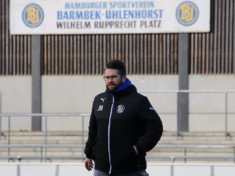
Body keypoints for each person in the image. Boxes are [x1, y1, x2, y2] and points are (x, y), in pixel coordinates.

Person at [84, 59, 163, 176]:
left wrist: (137, 148)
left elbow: (156, 127)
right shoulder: (99, 100)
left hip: (130, 169)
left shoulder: (138, 101)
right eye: (106, 77)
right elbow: (93, 129)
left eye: (113, 77)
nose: (109, 81)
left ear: (124, 77)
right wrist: (88, 154)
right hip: (101, 168)